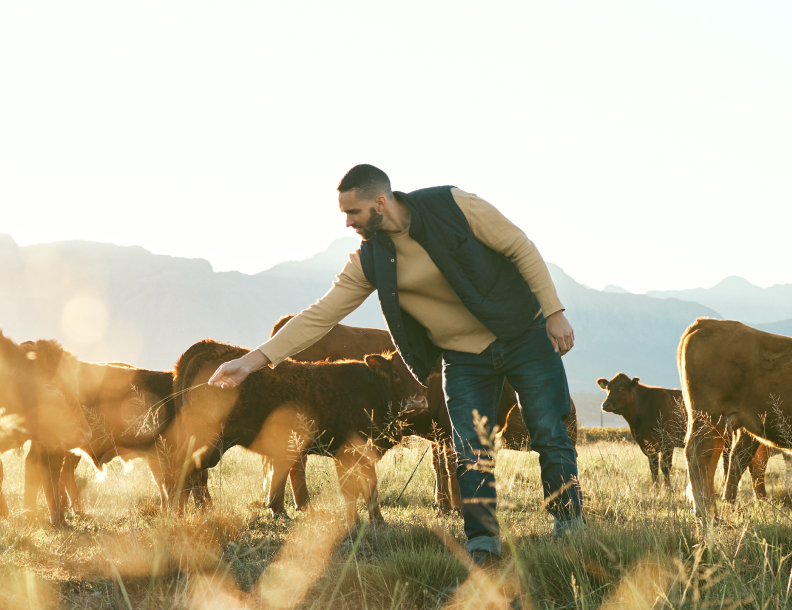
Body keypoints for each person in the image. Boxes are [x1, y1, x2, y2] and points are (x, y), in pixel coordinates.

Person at [208, 164, 583, 563]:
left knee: (548, 430)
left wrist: (554, 311)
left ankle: (568, 526)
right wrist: (251, 361)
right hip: (462, 357)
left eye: (353, 213)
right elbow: (320, 316)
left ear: (381, 203)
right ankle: (483, 543)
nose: (348, 223)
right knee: (470, 447)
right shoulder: (370, 261)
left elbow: (518, 246)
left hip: (522, 334)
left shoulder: (454, 204)